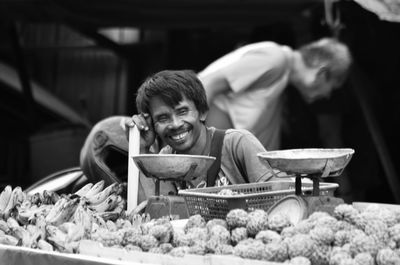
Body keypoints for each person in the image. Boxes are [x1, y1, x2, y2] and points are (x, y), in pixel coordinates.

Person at [126, 69, 277, 196]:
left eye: (182, 111)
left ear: (202, 112)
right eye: (162, 118)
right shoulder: (164, 160)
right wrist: (140, 148)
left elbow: (280, 196)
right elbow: (158, 213)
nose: (175, 124)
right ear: (152, 124)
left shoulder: (237, 143)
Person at [198, 37, 352, 151]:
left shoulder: (282, 77)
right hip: (210, 152)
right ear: (322, 74)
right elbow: (206, 85)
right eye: (332, 87)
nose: (327, 95)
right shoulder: (275, 59)